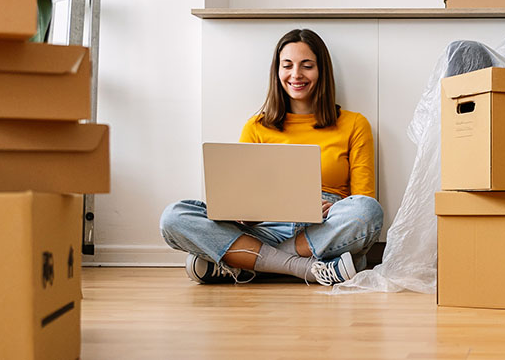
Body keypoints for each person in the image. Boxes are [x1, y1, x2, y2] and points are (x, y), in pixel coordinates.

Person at [160, 28, 384, 285]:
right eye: (287, 65)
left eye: (307, 66)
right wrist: (244, 211)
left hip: (321, 226)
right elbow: (241, 195)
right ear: (277, 71)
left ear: (322, 70)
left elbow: (364, 199)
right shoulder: (256, 125)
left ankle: (243, 263)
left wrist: (335, 207)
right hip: (262, 228)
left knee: (367, 212)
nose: (296, 74)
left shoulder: (354, 123)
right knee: (174, 216)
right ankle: (306, 268)